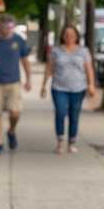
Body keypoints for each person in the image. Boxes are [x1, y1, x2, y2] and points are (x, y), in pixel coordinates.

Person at [40, 24, 97, 153]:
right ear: (62, 36)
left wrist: (91, 84)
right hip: (59, 87)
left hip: (78, 88)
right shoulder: (56, 51)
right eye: (66, 34)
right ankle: (60, 141)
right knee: (60, 112)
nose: (69, 37)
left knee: (74, 115)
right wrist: (43, 85)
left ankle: (71, 142)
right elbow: (49, 68)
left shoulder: (84, 51)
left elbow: (89, 69)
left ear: (76, 36)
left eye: (72, 34)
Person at [0, 15, 33, 151]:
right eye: (4, 27)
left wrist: (28, 79)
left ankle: (11, 131)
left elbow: (25, 60)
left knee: (15, 113)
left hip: (14, 82)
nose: (7, 30)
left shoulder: (18, 40)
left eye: (10, 27)